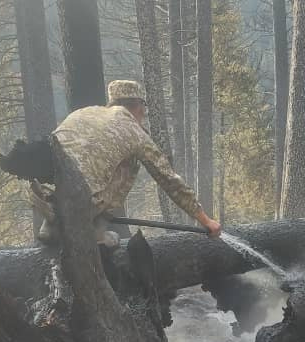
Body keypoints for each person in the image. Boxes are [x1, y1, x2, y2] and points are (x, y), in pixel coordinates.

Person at [32, 80, 221, 246]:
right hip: (83, 203)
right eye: (143, 109)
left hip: (46, 194)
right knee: (131, 162)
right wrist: (205, 220)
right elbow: (168, 179)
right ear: (138, 106)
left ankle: (54, 224)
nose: (143, 114)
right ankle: (93, 227)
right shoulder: (132, 129)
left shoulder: (83, 113)